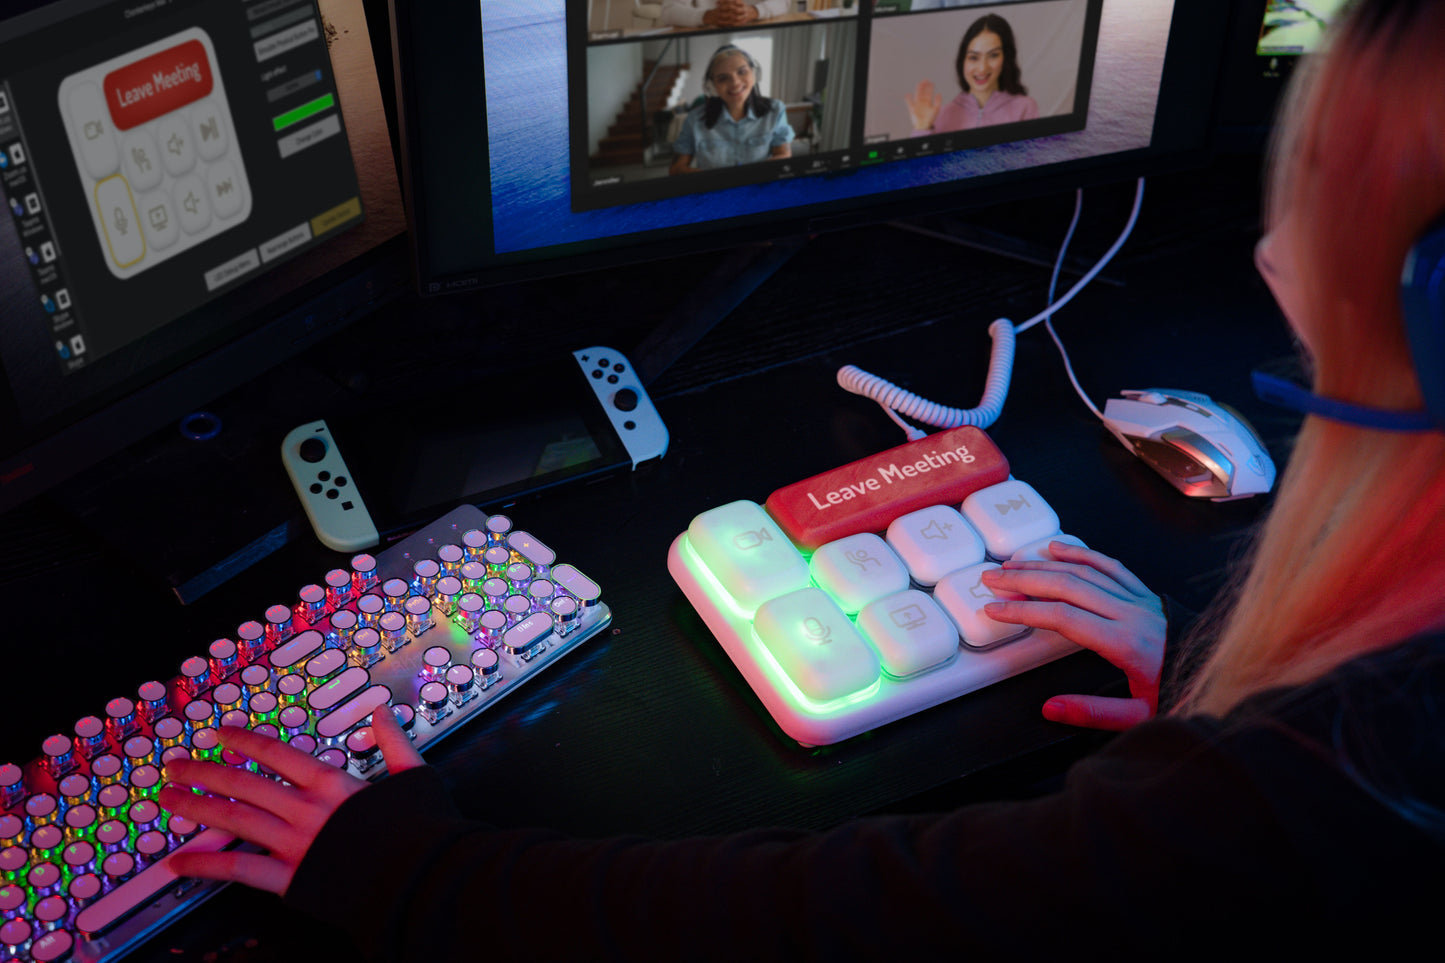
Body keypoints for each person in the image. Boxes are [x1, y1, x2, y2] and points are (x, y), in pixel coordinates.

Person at [162, 0, 1445, 955]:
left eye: (1320, 189)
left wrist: (406, 875)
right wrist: (1194, 721)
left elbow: (820, 923)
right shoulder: (1346, 746)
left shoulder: (1350, 762)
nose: (1271, 246)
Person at [906, 13, 1038, 136]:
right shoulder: (941, 115)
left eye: (993, 55)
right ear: (963, 60)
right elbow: (924, 162)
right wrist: (922, 127)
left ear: (1006, 58)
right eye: (974, 57)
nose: (982, 68)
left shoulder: (1025, 108)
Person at [669, 45, 793, 174]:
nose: (735, 83)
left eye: (742, 72)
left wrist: (756, 175)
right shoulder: (694, 119)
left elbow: (783, 155)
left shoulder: (775, 110)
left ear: (755, 74)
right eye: (723, 78)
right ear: (712, 86)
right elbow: (676, 169)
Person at [661, 0, 790, 29]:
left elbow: (785, 1)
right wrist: (707, 16)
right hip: (707, 34)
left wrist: (754, 11)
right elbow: (668, 12)